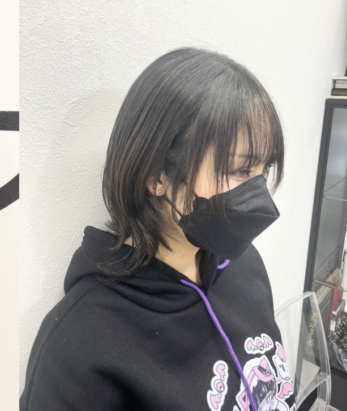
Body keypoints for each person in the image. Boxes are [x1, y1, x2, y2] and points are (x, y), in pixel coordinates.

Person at [21, 48, 294, 411]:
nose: (259, 194)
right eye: (241, 171)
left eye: (264, 170)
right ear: (156, 175)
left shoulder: (244, 265)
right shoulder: (78, 346)